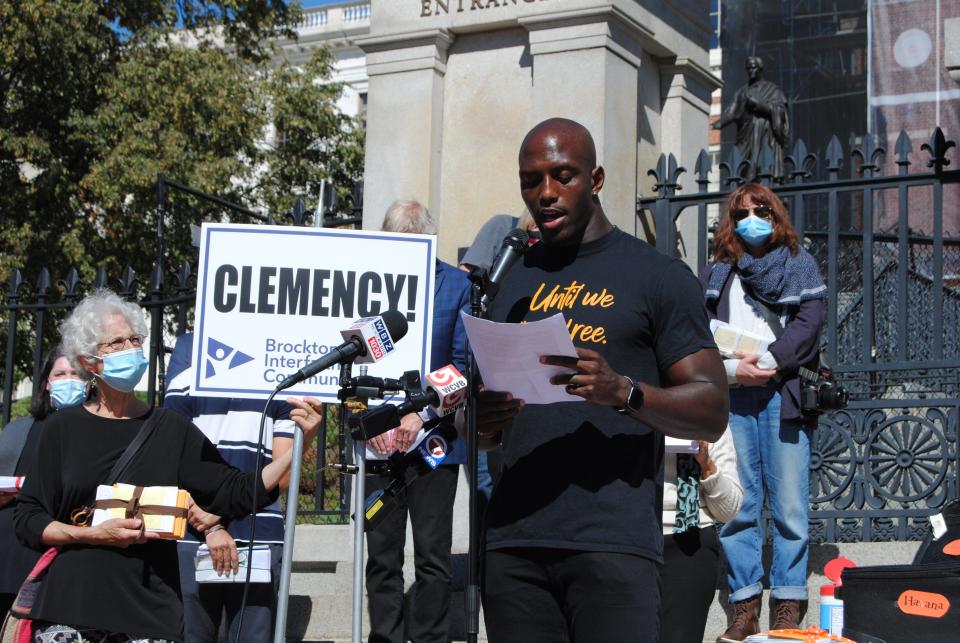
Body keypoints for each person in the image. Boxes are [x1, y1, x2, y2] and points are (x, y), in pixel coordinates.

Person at [475, 117, 728, 643]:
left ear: (596, 179)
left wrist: (626, 393)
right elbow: (478, 428)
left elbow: (711, 407)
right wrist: (480, 423)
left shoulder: (656, 276)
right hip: (513, 542)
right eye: (531, 180)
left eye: (562, 176)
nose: (544, 193)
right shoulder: (511, 282)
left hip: (612, 542)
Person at [13, 288, 322, 642]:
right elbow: (29, 518)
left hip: (150, 613)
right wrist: (91, 533)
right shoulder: (62, 429)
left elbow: (237, 490)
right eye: (116, 343)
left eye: (134, 339)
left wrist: (302, 444)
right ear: (88, 362)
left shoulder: (170, 429)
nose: (130, 349)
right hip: (72, 609)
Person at [702, 183, 826, 642]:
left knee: (790, 504)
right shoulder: (718, 272)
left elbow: (810, 326)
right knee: (740, 505)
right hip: (734, 393)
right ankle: (745, 603)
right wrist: (736, 370)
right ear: (730, 222)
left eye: (761, 209)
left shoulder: (800, 264)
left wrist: (769, 363)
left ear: (776, 215)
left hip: (782, 394)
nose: (752, 217)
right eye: (741, 212)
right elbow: (700, 332)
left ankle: (788, 601)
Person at [365, 200, 471, 643]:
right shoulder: (367, 281)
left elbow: (463, 365)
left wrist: (420, 412)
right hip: (379, 445)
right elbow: (355, 361)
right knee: (382, 557)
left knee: (432, 556)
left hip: (434, 444)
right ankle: (385, 637)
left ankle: (430, 637)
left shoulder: (455, 286)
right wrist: (375, 420)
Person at [164, 332, 295, 643]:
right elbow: (168, 462)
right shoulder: (187, 379)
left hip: (258, 534)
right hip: (191, 534)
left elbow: (285, 477)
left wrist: (310, 434)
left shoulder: (281, 382)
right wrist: (210, 526)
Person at [0, 349, 86, 616]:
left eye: (76, 374)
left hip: (58, 548)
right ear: (47, 383)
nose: (68, 380)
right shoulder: (18, 429)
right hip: (10, 550)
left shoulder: (95, 429)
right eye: (60, 374)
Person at [660, 432, 742, 643]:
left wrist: (706, 466)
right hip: (628, 539)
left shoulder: (705, 414)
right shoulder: (621, 408)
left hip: (688, 537)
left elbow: (728, 510)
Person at [713, 56, 790, 181]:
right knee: (743, 168)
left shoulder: (772, 89)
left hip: (765, 135)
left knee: (764, 166)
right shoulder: (742, 92)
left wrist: (761, 106)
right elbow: (731, 112)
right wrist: (718, 123)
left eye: (753, 68)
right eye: (748, 68)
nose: (750, 71)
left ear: (760, 69)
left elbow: (781, 112)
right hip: (746, 136)